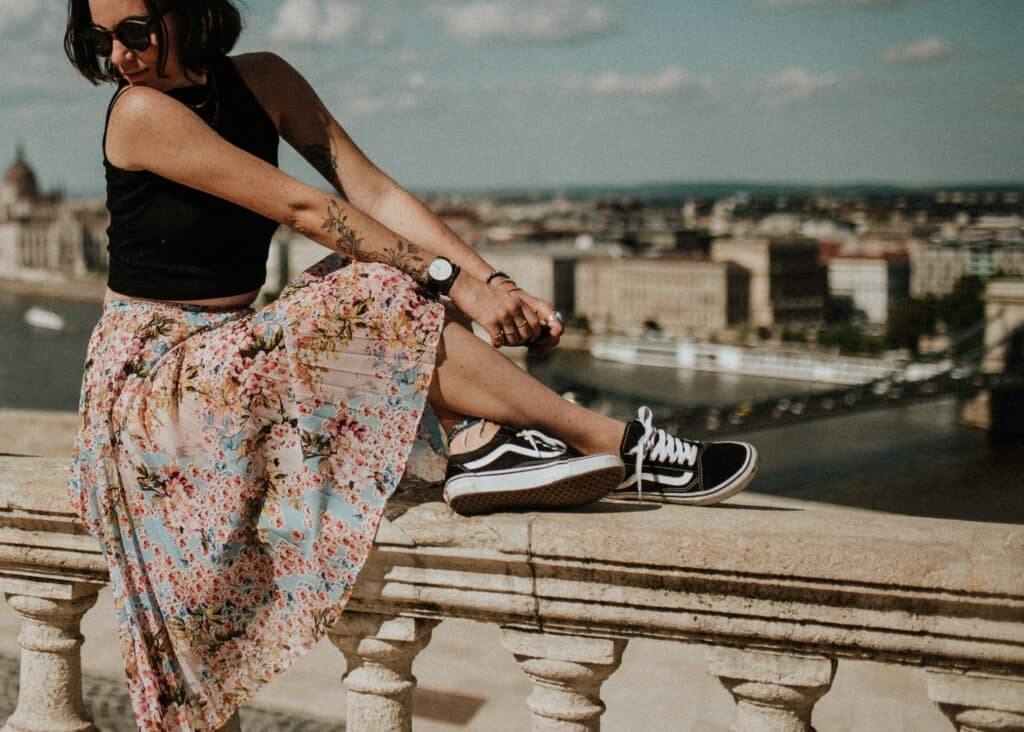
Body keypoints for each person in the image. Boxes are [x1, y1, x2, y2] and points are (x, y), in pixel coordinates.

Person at [63, 1, 760, 728]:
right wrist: (451, 282)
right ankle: (607, 443)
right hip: (153, 376)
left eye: (134, 33)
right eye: (99, 38)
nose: (118, 56)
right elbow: (305, 207)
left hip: (225, 352)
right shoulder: (140, 111)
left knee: (382, 276)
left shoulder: (265, 79)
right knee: (376, 282)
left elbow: (376, 194)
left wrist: (493, 284)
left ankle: (480, 443)